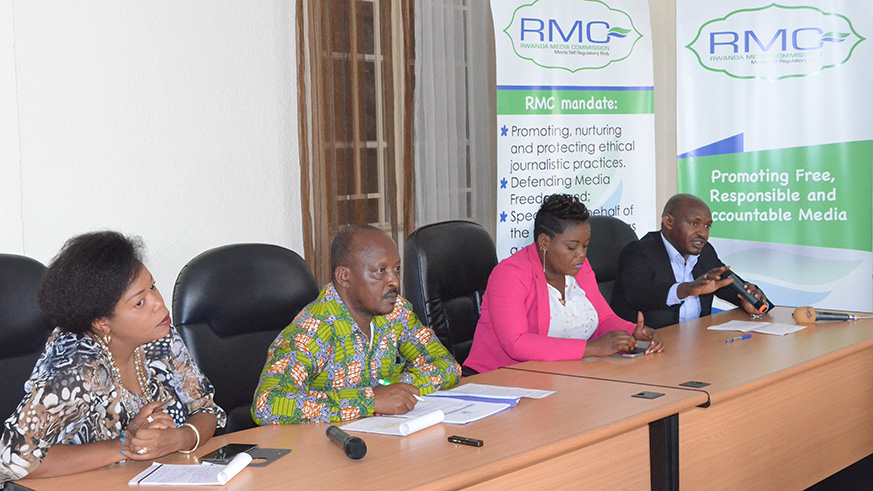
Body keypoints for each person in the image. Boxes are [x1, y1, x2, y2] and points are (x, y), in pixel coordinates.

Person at [0, 232, 225, 485]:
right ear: (101, 323)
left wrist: (181, 438)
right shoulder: (77, 367)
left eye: (152, 287)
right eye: (139, 303)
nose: (159, 304)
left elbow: (205, 409)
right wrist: (124, 446)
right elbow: (11, 460)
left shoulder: (161, 336)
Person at [252, 225, 461, 424]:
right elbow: (267, 404)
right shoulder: (313, 329)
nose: (395, 282)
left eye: (396, 269)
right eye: (380, 271)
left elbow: (447, 366)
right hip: (328, 443)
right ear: (344, 277)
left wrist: (397, 389)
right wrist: (369, 401)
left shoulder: (397, 313)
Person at [463, 194, 664, 374]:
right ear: (544, 242)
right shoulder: (510, 274)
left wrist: (632, 332)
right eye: (571, 247)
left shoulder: (579, 267)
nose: (581, 254)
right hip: (500, 379)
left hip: (561, 376)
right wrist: (591, 348)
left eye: (585, 246)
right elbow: (516, 343)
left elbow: (603, 319)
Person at [610, 193, 770, 329]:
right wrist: (687, 289)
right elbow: (639, 294)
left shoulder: (705, 252)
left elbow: (726, 284)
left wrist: (749, 301)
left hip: (697, 342)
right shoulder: (638, 252)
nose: (703, 234)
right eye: (694, 224)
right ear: (668, 222)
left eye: (707, 226)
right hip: (650, 346)